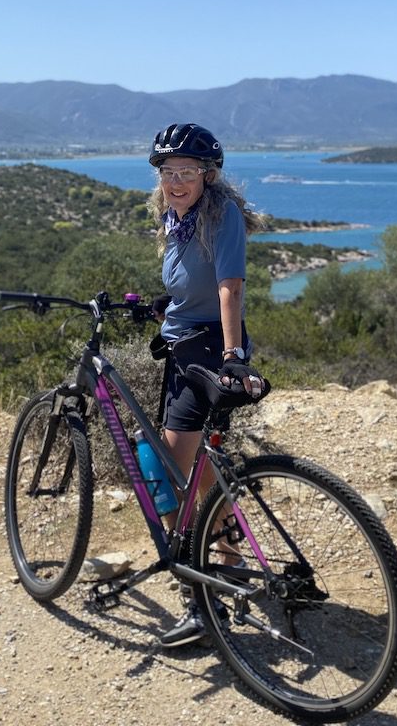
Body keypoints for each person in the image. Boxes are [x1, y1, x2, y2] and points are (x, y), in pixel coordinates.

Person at [146, 122, 267, 647]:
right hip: (183, 343)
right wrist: (160, 306)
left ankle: (201, 597)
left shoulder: (222, 216)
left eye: (187, 172)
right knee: (192, 467)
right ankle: (228, 560)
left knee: (164, 465)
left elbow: (229, 288)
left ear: (207, 174)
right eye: (168, 172)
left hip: (210, 349)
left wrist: (234, 356)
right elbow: (188, 285)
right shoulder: (175, 218)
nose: (176, 181)